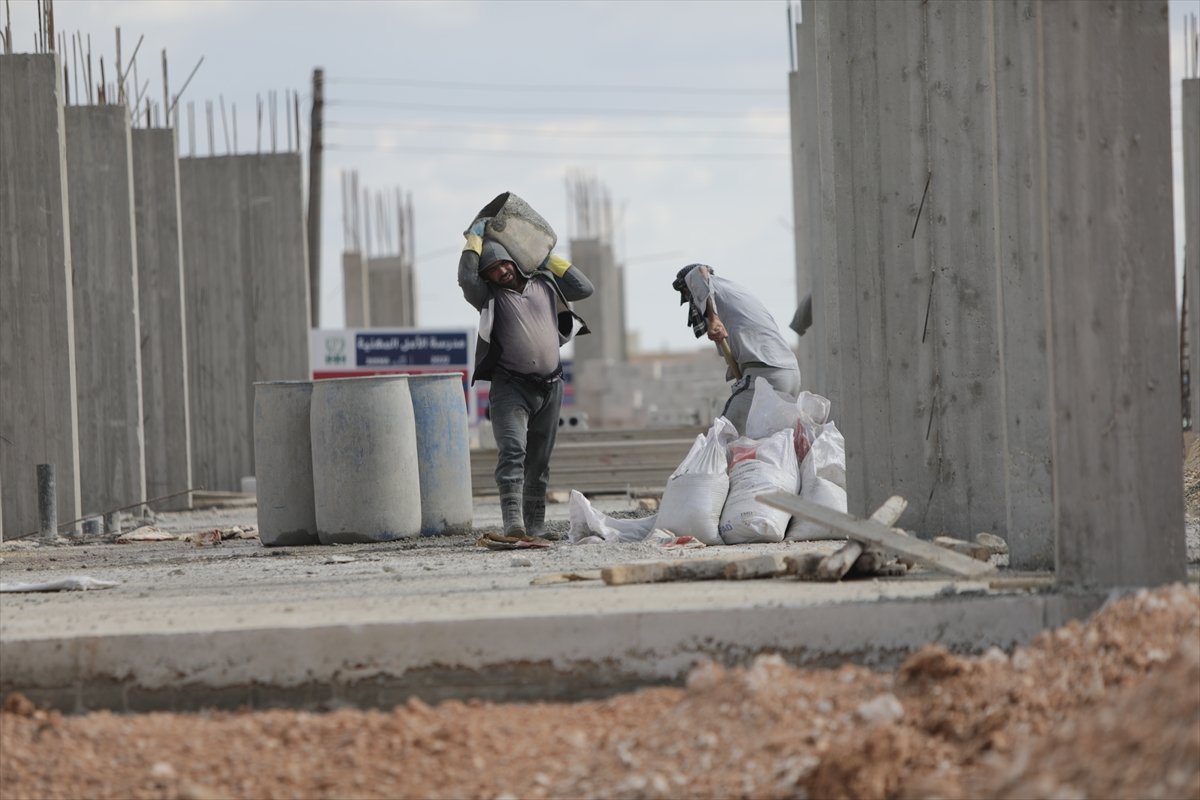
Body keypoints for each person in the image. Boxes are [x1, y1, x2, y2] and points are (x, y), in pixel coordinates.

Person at [459, 216, 594, 539]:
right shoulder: (489, 296)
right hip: (510, 388)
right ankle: (513, 525)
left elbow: (584, 288)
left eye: (503, 264)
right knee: (513, 451)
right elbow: (466, 278)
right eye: (492, 270)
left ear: (513, 261)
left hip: (551, 386)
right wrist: (474, 241)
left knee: (539, 461)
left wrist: (546, 258)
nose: (500, 272)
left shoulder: (545, 283)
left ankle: (534, 527)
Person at [674, 263, 800, 434]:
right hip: (788, 374)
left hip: (765, 376)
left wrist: (713, 318)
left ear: (690, 289)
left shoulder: (709, 284)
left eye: (687, 294)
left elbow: (699, 272)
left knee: (722, 438)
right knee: (762, 445)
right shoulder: (732, 294)